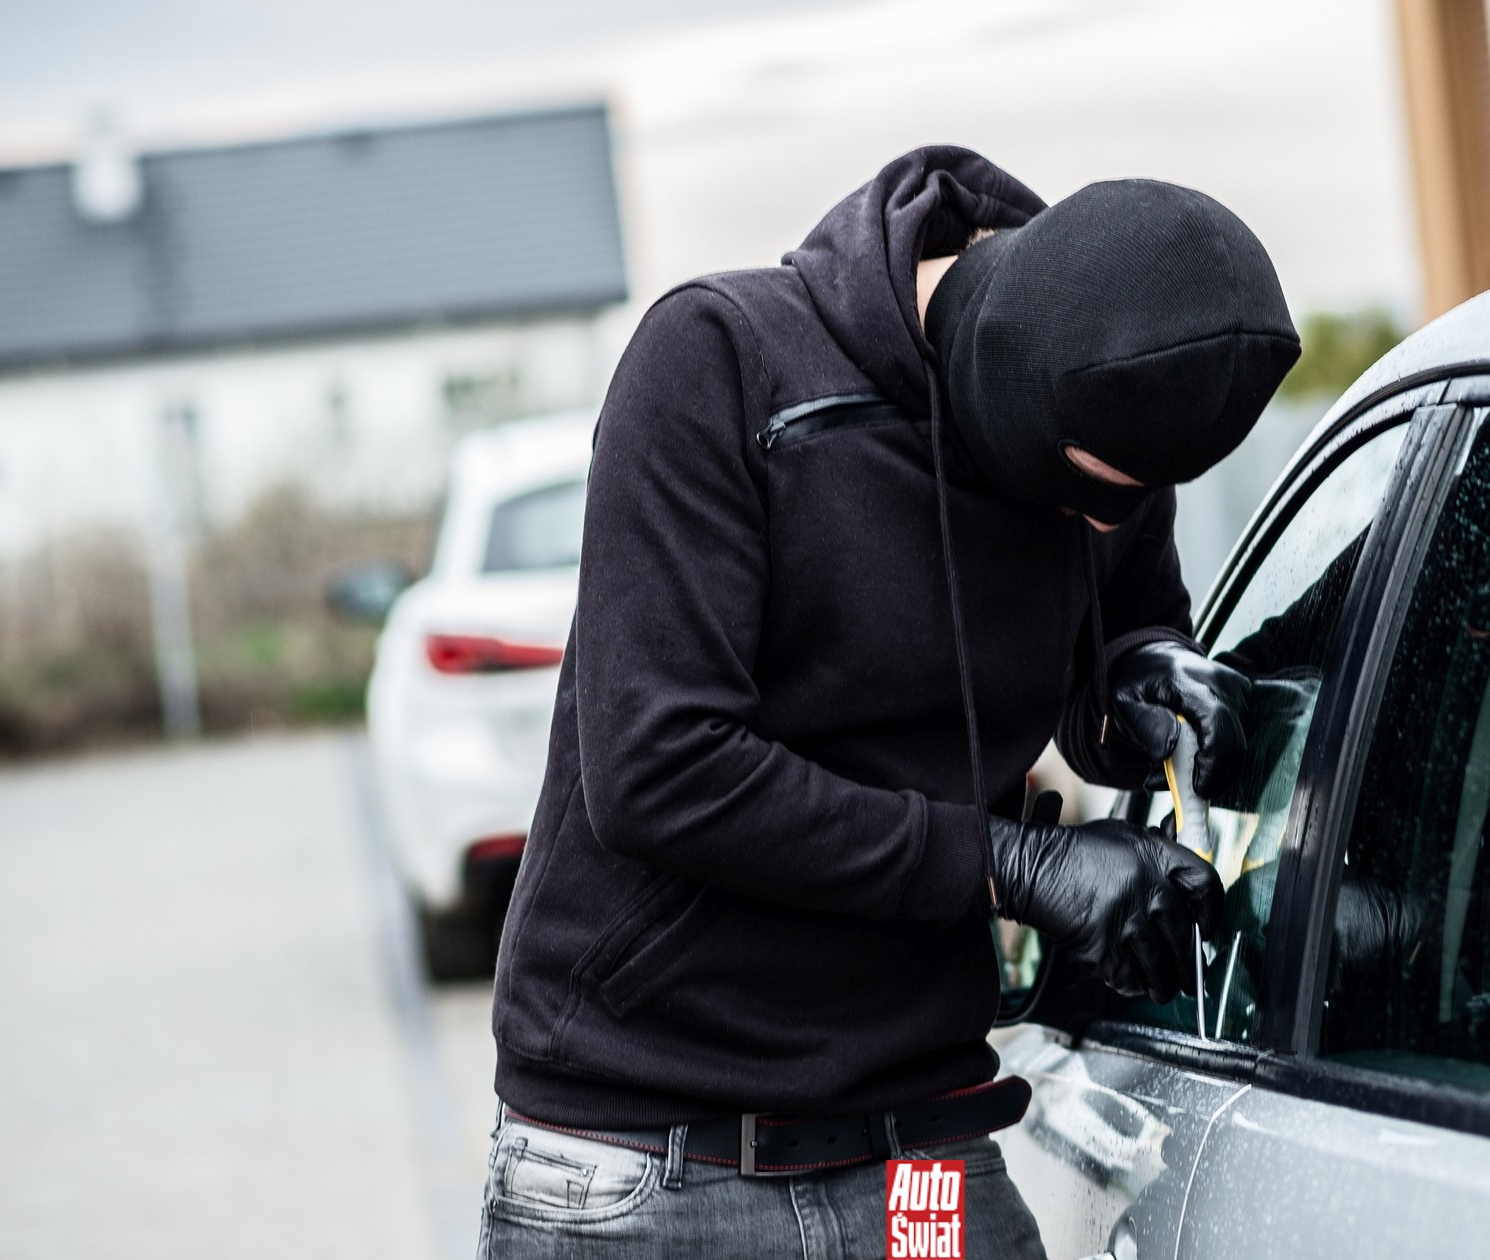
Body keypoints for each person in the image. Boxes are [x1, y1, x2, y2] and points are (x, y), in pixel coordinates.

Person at [476, 146, 1301, 1258]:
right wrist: (1018, 865)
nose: (1113, 528)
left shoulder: (1112, 413)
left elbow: (1104, 646)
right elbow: (659, 769)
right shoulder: (721, 362)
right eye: (1097, 499)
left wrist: (1139, 678)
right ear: (1002, 392)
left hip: (922, 1157)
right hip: (649, 1164)